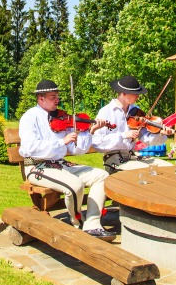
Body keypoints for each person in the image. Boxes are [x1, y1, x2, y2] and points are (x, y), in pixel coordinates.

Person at [18, 79, 114, 240]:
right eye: (53, 97)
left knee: (101, 176)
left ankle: (92, 224)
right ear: (41, 98)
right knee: (74, 185)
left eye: (57, 96)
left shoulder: (60, 118)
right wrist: (61, 141)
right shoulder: (29, 118)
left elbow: (77, 150)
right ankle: (77, 224)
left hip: (60, 164)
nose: (57, 100)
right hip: (37, 166)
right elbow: (30, 148)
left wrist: (90, 131)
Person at [92, 75, 175, 174]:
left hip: (132, 156)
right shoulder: (106, 112)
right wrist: (123, 135)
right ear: (124, 93)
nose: (138, 96)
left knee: (169, 168)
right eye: (135, 93)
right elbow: (97, 143)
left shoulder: (135, 111)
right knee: (147, 171)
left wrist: (161, 133)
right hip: (113, 159)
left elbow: (147, 139)